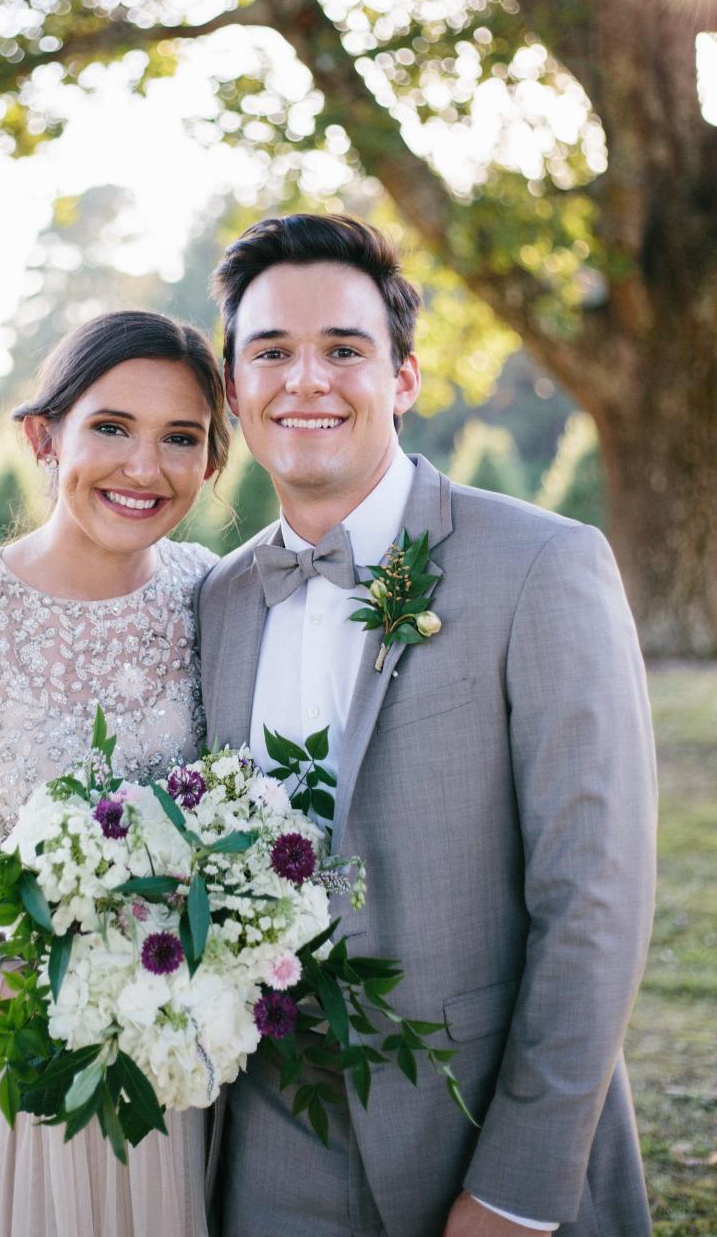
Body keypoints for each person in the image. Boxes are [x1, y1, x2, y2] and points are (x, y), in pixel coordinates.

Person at [197, 214, 657, 1237]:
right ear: (235, 390)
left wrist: (518, 1189)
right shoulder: (219, 602)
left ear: (403, 379)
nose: (305, 381)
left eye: (344, 351)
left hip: (478, 1133)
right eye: (270, 352)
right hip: (265, 1150)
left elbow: (597, 897)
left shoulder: (542, 565)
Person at [0, 309, 229, 1237]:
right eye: (111, 427)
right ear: (44, 434)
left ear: (213, 463)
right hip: (20, 1070)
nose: (144, 469)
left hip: (186, 1061)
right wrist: (67, 1014)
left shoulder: (215, 597)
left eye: (180, 438)